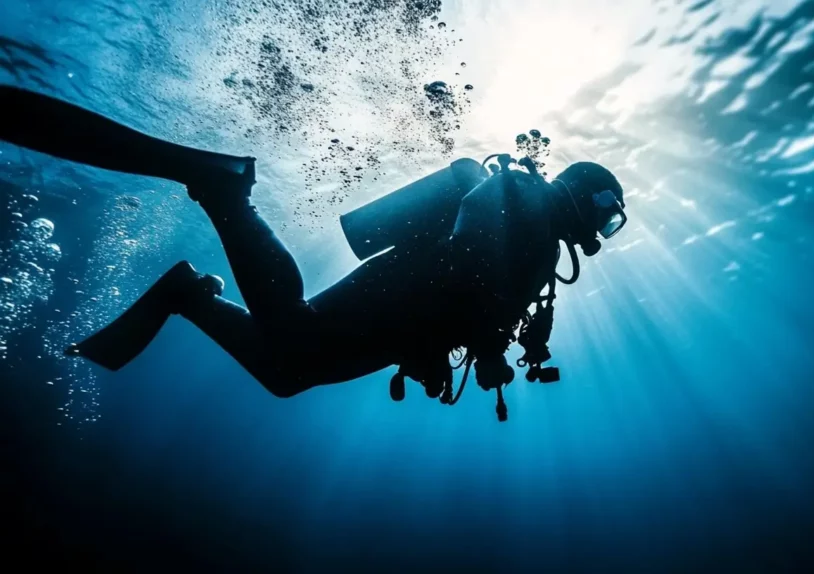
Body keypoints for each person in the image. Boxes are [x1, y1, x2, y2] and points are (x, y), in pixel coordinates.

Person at [0, 86, 627, 419]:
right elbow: (475, 226)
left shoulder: (543, 244)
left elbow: (484, 275)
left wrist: (463, 342)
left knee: (286, 374)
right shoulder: (525, 193)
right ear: (587, 196)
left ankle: (188, 296)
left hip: (416, 322)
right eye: (609, 211)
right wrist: (486, 342)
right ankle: (226, 194)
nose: (606, 226)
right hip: (407, 291)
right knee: (291, 331)